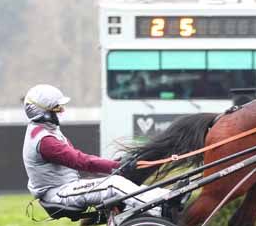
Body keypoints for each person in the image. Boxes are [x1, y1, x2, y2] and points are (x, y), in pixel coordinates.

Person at [21, 84, 167, 216]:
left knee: (119, 181)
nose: (62, 110)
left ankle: (166, 196)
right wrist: (115, 166)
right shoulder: (45, 141)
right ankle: (160, 208)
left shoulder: (45, 130)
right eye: (57, 108)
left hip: (65, 188)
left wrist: (114, 164)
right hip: (58, 194)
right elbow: (80, 161)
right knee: (113, 184)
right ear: (44, 113)